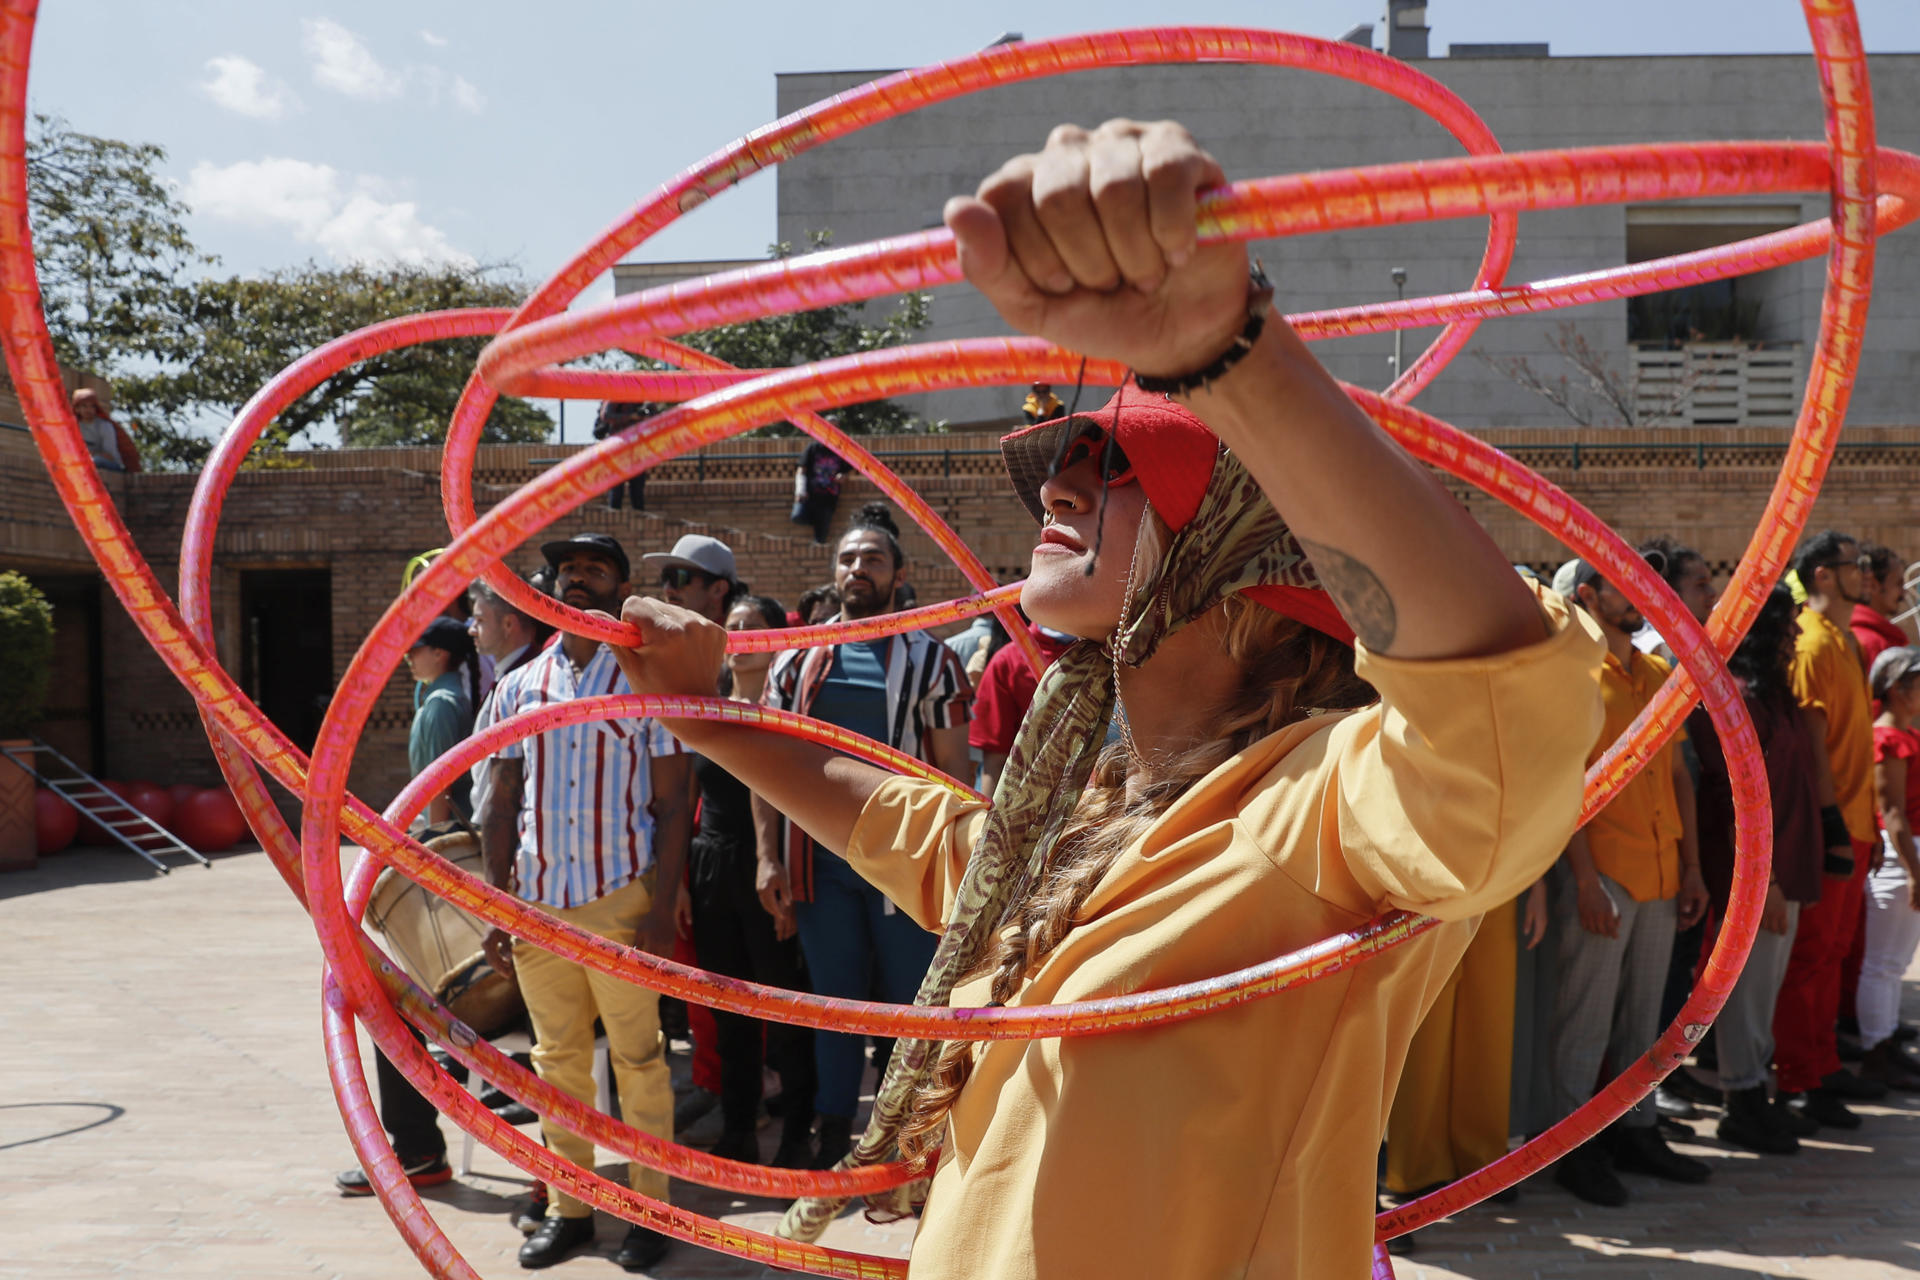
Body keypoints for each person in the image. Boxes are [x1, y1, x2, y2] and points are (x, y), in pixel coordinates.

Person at [603, 118, 1604, 1279]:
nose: (1066, 480)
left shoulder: (1320, 816)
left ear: (1248, 585)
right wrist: (704, 712)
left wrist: (1232, 355)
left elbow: (1497, 720)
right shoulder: (1091, 818)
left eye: (1122, 468)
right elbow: (939, 844)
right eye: (1072, 462)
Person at [478, 532, 690, 1273]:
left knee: (638, 1060)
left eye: (595, 570)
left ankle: (649, 1211)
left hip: (617, 899)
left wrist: (662, 911)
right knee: (557, 1061)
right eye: (567, 570)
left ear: (618, 589)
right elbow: (501, 800)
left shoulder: (643, 680)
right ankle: (569, 1206)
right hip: (539, 901)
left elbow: (673, 802)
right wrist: (499, 904)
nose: (577, 580)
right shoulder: (518, 685)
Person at [753, 500, 974, 1170]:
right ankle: (830, 1132)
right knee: (835, 1002)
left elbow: (954, 772)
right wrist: (767, 856)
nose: (857, 568)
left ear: (899, 572)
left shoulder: (932, 661)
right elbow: (766, 764)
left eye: (872, 558)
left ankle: (906, 1138)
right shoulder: (794, 662)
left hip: (904, 863)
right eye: (848, 558)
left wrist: (957, 865)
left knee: (911, 1004)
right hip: (820, 866)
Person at [1546, 557, 1710, 1207]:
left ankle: (1636, 1131)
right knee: (1583, 1023)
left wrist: (1693, 866)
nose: (1641, 595)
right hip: (1605, 874)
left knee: (1645, 1022)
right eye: (1625, 584)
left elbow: (1678, 778)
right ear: (1587, 594)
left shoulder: (1658, 673)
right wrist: (1584, 881)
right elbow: (1564, 790)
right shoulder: (1572, 679)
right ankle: (1572, 1150)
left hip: (1664, 873)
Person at [1686, 587, 1823, 1153]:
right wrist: (1760, 882)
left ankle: (1754, 1093)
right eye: (1787, 625)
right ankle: (1739, 1102)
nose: (1796, 634)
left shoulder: (1773, 693)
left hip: (1785, 864)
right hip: (1753, 875)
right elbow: (1733, 797)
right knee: (1745, 991)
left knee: (1765, 987)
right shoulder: (1731, 698)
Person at [684, 593, 817, 1166]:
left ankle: (796, 1129)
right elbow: (686, 798)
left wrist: (780, 868)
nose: (738, 634)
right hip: (713, 866)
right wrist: (683, 885)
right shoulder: (706, 709)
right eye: (731, 626)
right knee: (729, 1007)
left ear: (773, 638)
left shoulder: (788, 709)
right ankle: (738, 1127)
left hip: (772, 868)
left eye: (750, 626)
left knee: (784, 1005)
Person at [1773, 530, 1887, 1129]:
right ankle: (1798, 1075)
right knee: (1812, 956)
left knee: (1835, 953)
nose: (1863, 574)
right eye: (1853, 565)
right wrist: (1833, 825)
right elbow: (1813, 748)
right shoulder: (1813, 645)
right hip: (1831, 826)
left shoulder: (1843, 641)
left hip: (1856, 822)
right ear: (1822, 575)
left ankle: (1822, 1063)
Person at [641, 534, 744, 1137]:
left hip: (741, 848)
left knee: (744, 980)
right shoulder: (668, 657)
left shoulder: (748, 653)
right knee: (700, 976)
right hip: (692, 848)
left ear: (718, 589)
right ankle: (714, 1080)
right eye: (668, 578)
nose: (670, 590)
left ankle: (738, 1088)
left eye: (683, 578)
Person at [1858, 646, 1920, 1090]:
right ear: (1898, 690)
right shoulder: (1888, 738)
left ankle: (1884, 1045)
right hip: (1899, 858)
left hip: (1906, 856)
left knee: (1893, 963)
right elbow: (1892, 811)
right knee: (1882, 963)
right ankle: (1876, 1054)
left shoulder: (1904, 734)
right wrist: (1914, 869)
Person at [968, 619, 1074, 795]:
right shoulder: (1008, 661)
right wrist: (988, 819)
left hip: (1109, 802)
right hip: (1030, 803)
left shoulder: (1119, 651)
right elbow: (995, 762)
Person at [405, 616, 481, 826]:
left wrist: (433, 844)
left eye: (415, 650)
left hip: (445, 832)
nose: (408, 658)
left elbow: (439, 785)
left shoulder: (442, 705)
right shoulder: (444, 699)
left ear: (439, 653)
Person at [1853, 544, 1912, 671]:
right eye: (1898, 584)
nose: (1903, 593)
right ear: (1874, 585)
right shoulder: (1872, 644)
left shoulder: (1881, 638)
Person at [792, 439, 851, 544]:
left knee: (821, 534)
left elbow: (846, 473)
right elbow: (801, 469)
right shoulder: (814, 448)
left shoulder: (840, 449)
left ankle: (818, 548)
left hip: (829, 497)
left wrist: (842, 477)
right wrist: (800, 490)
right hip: (810, 495)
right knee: (798, 516)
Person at [593, 402, 649, 510]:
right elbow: (606, 415)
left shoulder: (640, 400)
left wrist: (645, 414)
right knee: (616, 491)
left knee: (637, 492)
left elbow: (654, 416)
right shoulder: (615, 399)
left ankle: (639, 519)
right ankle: (615, 519)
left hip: (636, 450)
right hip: (618, 448)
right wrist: (630, 417)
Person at [72, 387, 130, 472]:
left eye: (92, 406)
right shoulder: (74, 427)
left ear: (96, 409)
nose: (88, 410)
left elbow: (109, 456)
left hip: (112, 466)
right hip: (83, 462)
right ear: (77, 409)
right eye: (84, 406)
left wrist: (89, 455)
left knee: (96, 461)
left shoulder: (105, 426)